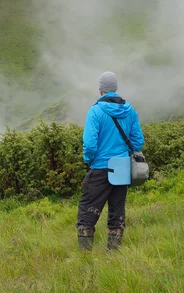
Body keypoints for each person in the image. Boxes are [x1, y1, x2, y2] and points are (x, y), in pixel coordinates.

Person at [76, 71, 145, 251]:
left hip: (100, 167)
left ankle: (85, 256)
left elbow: (90, 144)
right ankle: (113, 253)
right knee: (117, 210)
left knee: (87, 211)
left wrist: (89, 160)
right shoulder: (130, 110)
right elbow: (138, 142)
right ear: (116, 89)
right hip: (121, 167)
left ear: (100, 90)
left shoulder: (95, 111)